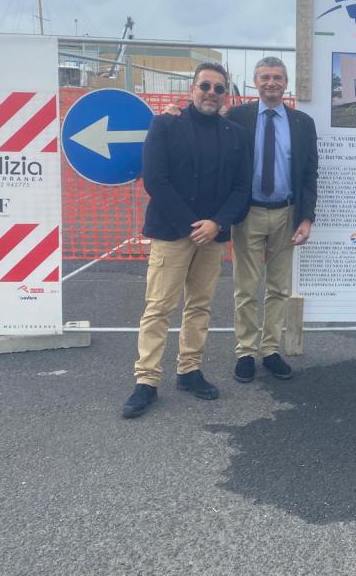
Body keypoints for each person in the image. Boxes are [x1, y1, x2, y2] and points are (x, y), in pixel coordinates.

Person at [123, 63, 252, 419]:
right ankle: (146, 380)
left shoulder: (236, 134)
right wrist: (190, 225)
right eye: (205, 86)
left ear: (225, 95)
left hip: (213, 235)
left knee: (199, 306)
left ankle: (189, 370)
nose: (211, 93)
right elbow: (155, 179)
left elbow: (242, 187)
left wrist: (217, 223)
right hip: (172, 231)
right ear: (192, 89)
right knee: (159, 307)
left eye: (218, 88)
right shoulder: (166, 125)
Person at [226, 57, 318, 383]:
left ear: (286, 82)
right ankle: (245, 352)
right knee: (246, 289)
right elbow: (205, 133)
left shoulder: (302, 123)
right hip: (247, 213)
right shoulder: (236, 117)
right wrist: (175, 114)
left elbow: (309, 174)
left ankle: (269, 350)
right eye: (265, 77)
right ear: (255, 82)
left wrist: (306, 218)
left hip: (286, 214)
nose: (271, 83)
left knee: (279, 287)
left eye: (277, 77)